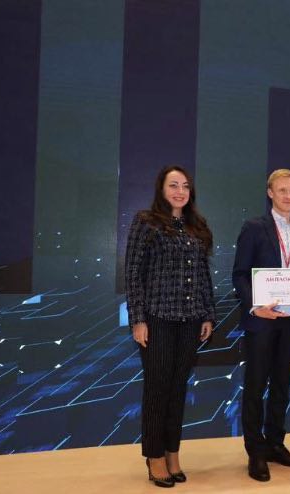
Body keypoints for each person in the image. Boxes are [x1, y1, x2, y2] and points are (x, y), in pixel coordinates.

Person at [125, 165, 215, 488]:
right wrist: (138, 319)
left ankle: (172, 453)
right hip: (157, 319)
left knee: (178, 390)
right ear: (161, 190)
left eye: (185, 186)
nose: (180, 191)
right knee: (157, 389)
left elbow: (203, 276)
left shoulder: (197, 226)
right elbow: (133, 274)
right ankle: (154, 457)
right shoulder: (146, 222)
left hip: (190, 320)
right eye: (173, 185)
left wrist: (208, 315)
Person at [232, 168, 290, 482]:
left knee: (282, 384)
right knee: (256, 386)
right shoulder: (254, 227)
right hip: (263, 320)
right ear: (270, 192)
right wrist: (256, 307)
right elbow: (240, 275)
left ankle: (275, 444)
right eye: (282, 190)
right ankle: (255, 451)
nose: (288, 196)